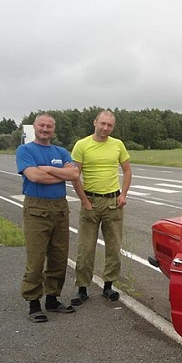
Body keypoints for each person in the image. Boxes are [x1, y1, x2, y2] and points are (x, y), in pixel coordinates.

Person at [16, 114, 80, 322]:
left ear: (54, 129)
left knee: (59, 257)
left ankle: (52, 299)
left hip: (60, 207)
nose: (45, 129)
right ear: (34, 127)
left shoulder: (60, 151)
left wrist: (50, 170)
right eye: (42, 125)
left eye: (49, 126)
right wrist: (61, 172)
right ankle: (34, 303)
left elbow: (74, 175)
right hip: (36, 207)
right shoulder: (25, 150)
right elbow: (34, 177)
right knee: (36, 258)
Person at [70, 110, 132, 305]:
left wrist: (123, 194)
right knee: (86, 248)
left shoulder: (118, 145)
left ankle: (108, 286)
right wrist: (84, 201)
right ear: (95, 122)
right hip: (91, 201)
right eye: (102, 123)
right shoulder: (82, 145)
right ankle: (82, 288)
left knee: (114, 247)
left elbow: (128, 170)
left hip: (113, 202)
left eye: (110, 125)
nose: (105, 128)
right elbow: (74, 175)